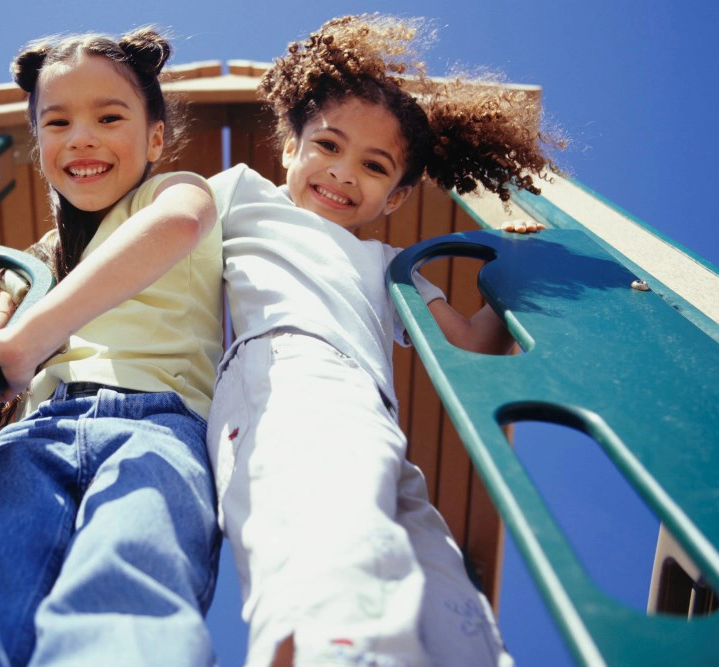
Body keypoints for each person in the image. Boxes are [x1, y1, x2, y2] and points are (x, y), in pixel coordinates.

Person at [206, 14, 561, 667]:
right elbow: (155, 229)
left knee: (437, 577)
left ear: (396, 197)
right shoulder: (242, 196)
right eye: (328, 146)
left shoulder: (391, 266)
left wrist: (515, 274)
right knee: (331, 536)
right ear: (289, 148)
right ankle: (334, 651)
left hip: (373, 416)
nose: (343, 173)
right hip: (290, 373)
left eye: (373, 165)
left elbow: (471, 344)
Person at [0, 27, 224, 667]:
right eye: (58, 123)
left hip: (159, 423)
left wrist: (26, 336)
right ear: (40, 149)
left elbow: (179, 226)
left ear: (156, 138)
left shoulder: (170, 192)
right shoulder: (35, 264)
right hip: (36, 431)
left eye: (110, 116)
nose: (82, 136)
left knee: (129, 578)